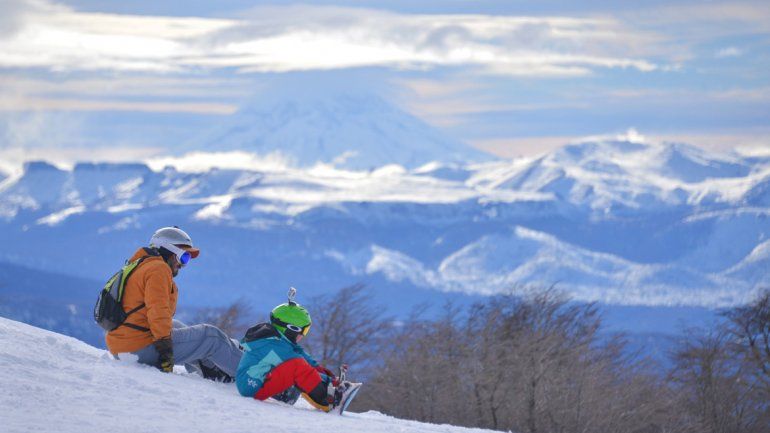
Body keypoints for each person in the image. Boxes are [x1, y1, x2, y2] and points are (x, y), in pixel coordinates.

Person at [105, 226, 243, 381]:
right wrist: (165, 350)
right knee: (212, 336)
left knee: (175, 325)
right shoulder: (158, 269)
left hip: (122, 346)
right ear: (169, 251)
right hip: (139, 348)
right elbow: (158, 311)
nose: (183, 265)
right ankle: (258, 376)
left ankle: (210, 370)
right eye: (183, 257)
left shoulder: (141, 265)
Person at [236, 293, 355, 412]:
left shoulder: (281, 340)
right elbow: (302, 368)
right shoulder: (274, 347)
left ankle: (329, 391)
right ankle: (328, 400)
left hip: (260, 380)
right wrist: (330, 382)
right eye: (304, 330)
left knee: (299, 358)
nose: (303, 335)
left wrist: (333, 379)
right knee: (297, 366)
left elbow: (307, 362)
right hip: (252, 387)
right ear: (291, 329)